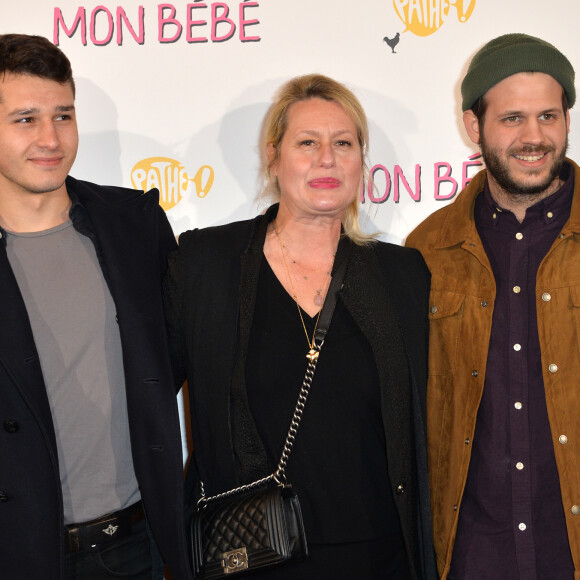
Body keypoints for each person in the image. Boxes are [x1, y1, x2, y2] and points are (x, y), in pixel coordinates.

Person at [164, 73, 436, 579]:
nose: (326, 159)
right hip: (251, 554)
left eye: (343, 143)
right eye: (307, 143)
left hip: (379, 556)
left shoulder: (403, 275)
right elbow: (148, 398)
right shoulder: (206, 264)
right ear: (274, 157)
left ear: (361, 160)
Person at [0, 34, 191, 580]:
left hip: (134, 547)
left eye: (63, 115)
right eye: (25, 119)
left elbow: (171, 359)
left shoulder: (135, 224)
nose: (50, 138)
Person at [406, 33, 579, 579]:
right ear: (472, 125)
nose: (535, 137)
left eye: (549, 116)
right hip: (471, 558)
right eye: (512, 119)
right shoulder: (425, 252)